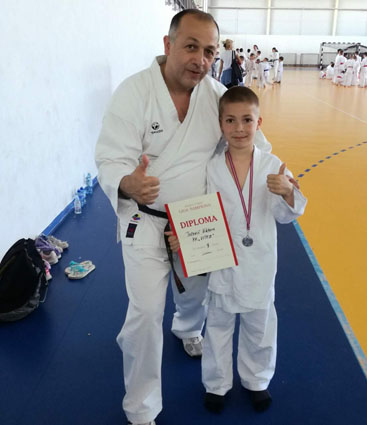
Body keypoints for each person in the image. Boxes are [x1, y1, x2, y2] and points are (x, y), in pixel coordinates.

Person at [95, 10, 271, 425]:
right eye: (191, 47)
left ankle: (188, 328)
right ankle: (141, 409)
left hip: (197, 220)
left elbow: (253, 144)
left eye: (209, 51)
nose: (200, 59)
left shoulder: (215, 95)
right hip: (145, 218)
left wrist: (279, 175)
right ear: (168, 44)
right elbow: (109, 157)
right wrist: (128, 182)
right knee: (145, 311)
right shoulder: (134, 93)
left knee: (195, 294)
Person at [167, 87, 307, 413]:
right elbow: (200, 211)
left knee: (260, 326)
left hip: (260, 261)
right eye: (230, 120)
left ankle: (257, 380)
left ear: (259, 123)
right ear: (220, 124)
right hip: (222, 260)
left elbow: (286, 216)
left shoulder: (273, 165)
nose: (239, 128)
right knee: (217, 326)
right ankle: (217, 384)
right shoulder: (212, 167)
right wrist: (184, 236)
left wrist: (287, 192)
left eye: (247, 120)